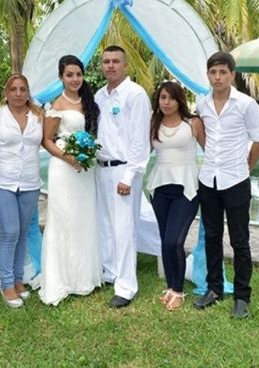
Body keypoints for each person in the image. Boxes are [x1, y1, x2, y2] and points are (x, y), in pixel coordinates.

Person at [193, 51, 259, 319]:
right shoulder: (202, 104)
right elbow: (204, 137)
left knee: (239, 240)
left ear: (232, 75)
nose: (218, 77)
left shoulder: (246, 105)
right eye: (213, 72)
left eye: (223, 72)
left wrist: (247, 166)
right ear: (208, 75)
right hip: (208, 180)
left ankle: (242, 297)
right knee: (211, 236)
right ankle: (214, 288)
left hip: (236, 180)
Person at [39, 55, 102, 305]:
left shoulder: (88, 101)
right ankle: (61, 279)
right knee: (64, 218)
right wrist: (68, 157)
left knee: (84, 218)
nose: (75, 79)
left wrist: (85, 155)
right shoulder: (57, 104)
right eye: (69, 75)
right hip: (64, 170)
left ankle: (84, 277)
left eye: (78, 74)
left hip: (85, 171)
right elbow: (46, 140)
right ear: (61, 77)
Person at [95, 45, 151, 308]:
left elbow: (140, 140)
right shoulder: (99, 96)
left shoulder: (135, 94)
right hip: (101, 168)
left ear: (125, 65)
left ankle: (126, 286)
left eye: (116, 61)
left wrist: (129, 176)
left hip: (124, 169)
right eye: (106, 61)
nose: (110, 66)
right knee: (105, 224)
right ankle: (111, 271)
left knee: (124, 228)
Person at [146, 81, 204, 311]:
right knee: (165, 240)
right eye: (162, 98)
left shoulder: (193, 123)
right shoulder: (153, 123)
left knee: (174, 240)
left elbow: (211, 150)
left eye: (171, 98)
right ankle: (171, 287)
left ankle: (178, 291)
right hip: (160, 187)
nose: (166, 102)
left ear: (179, 100)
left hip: (187, 188)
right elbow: (141, 152)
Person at [0, 74, 44, 309]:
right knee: (9, 231)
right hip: (1, 182)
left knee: (21, 232)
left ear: (28, 92)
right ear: (7, 92)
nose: (18, 94)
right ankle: (7, 283)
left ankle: (19, 280)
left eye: (23, 89)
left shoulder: (38, 117)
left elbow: (49, 141)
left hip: (30, 183)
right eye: (14, 89)